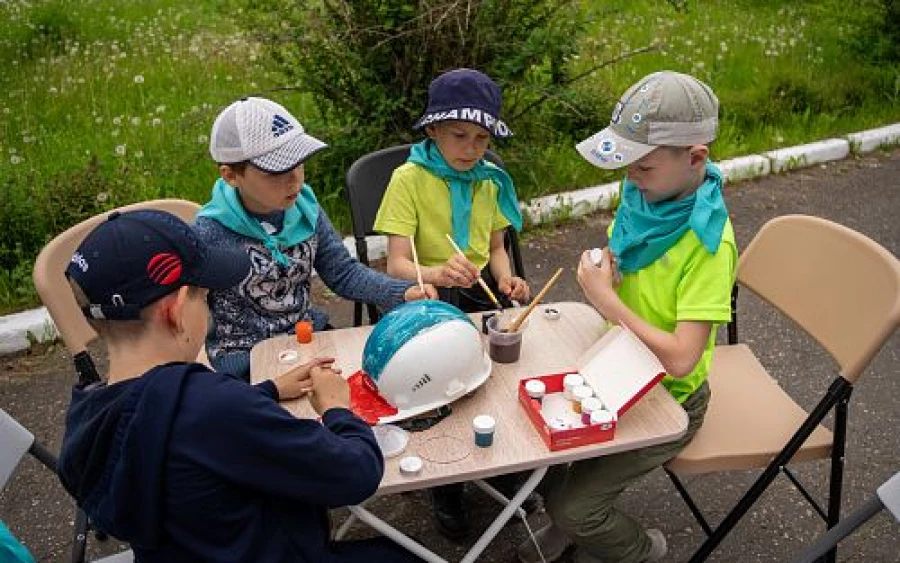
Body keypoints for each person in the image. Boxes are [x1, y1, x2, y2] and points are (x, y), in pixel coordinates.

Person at [56, 209, 421, 562]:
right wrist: (338, 409)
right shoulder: (217, 409)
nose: (209, 308)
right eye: (205, 296)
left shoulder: (89, 414)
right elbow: (357, 473)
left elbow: (164, 421)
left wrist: (269, 391)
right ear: (177, 310)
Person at [518, 71, 737, 563]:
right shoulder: (647, 198)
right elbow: (631, 262)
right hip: (614, 365)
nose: (630, 179)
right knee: (541, 445)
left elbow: (682, 360)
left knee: (574, 506)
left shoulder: (707, 245)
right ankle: (568, 519)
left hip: (669, 397)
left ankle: (639, 550)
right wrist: (610, 273)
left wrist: (607, 302)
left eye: (642, 168)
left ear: (695, 157)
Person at [374, 68, 533, 539]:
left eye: (482, 138)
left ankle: (504, 459)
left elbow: (498, 249)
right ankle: (447, 483)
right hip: (423, 295)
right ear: (433, 131)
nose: (472, 149)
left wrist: (508, 280)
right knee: (441, 389)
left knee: (499, 376)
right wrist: (439, 274)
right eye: (460, 136)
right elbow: (397, 264)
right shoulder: (408, 180)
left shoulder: (490, 181)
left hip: (477, 290)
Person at [194, 97, 436, 380]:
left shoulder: (305, 207)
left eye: (298, 164)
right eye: (276, 172)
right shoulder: (209, 232)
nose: (294, 180)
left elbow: (343, 273)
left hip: (309, 340)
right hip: (246, 363)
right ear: (231, 175)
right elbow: (181, 311)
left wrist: (402, 292)